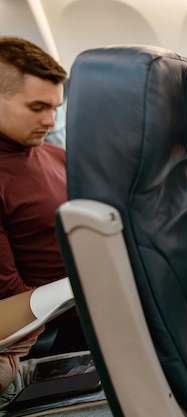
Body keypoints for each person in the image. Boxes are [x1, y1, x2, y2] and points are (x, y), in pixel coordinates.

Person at [0, 37, 86, 355]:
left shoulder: (56, 155)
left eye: (54, 108)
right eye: (37, 107)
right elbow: (10, 297)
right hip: (55, 333)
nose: (50, 121)